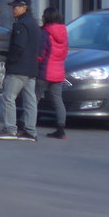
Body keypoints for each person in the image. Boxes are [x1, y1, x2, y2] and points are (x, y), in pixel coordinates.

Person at [0, 0, 42, 142]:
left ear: (24, 7)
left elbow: (18, 46)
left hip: (18, 68)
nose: (13, 9)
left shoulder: (21, 24)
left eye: (16, 6)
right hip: (31, 67)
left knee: (8, 97)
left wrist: (10, 60)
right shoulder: (33, 23)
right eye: (13, 7)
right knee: (30, 100)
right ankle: (30, 131)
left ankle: (10, 129)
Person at [36, 7, 69, 139]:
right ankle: (61, 130)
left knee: (34, 98)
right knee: (58, 100)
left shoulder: (45, 32)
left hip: (44, 71)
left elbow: (40, 53)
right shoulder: (64, 32)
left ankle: (26, 125)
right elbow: (65, 52)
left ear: (47, 17)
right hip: (59, 71)